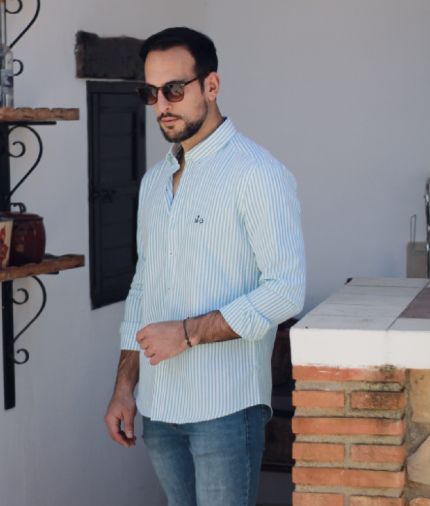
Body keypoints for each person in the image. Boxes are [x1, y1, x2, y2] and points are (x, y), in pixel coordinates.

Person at [104, 26, 305, 506]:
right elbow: (143, 287)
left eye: (174, 89)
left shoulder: (258, 173)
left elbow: (286, 290)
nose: (162, 105)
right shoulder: (155, 181)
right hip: (158, 405)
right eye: (151, 93)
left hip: (226, 406)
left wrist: (187, 334)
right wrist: (125, 388)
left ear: (211, 85)